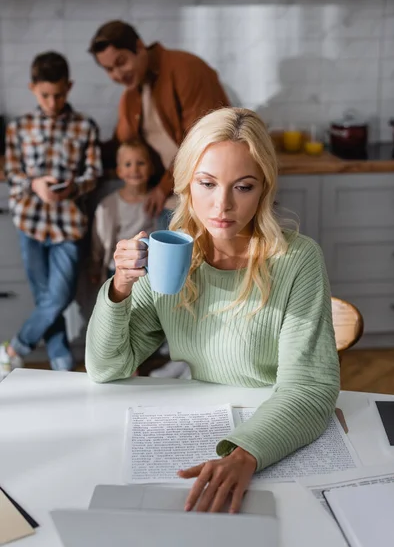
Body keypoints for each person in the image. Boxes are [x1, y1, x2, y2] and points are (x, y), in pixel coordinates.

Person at [85, 107, 340, 513]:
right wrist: (119, 289)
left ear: (264, 189)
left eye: (243, 187)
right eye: (207, 183)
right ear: (186, 183)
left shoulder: (297, 260)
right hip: (203, 426)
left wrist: (244, 454)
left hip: (276, 435)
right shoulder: (169, 255)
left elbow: (310, 387)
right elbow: (106, 367)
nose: (222, 205)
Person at [0, 51, 102, 377]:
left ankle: (14, 348)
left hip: (69, 225)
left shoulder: (85, 126)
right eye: (45, 95)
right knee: (48, 300)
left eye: (59, 94)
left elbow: (94, 172)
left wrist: (73, 187)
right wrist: (35, 184)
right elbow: (11, 173)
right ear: (33, 88)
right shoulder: (19, 128)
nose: (53, 102)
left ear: (69, 87)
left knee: (57, 298)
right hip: (29, 222)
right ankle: (62, 367)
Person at [88, 20, 230, 223]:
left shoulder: (187, 69)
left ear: (138, 46)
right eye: (109, 69)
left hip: (208, 197)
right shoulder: (130, 97)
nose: (117, 74)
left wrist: (163, 188)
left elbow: (203, 141)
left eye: (121, 62)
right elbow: (122, 147)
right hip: (170, 201)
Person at [90, 141, 157, 285]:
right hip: (117, 267)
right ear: (119, 171)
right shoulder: (107, 206)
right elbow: (98, 240)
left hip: (149, 270)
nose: (135, 170)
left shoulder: (158, 201)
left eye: (141, 163)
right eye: (128, 164)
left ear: (151, 168)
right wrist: (95, 265)